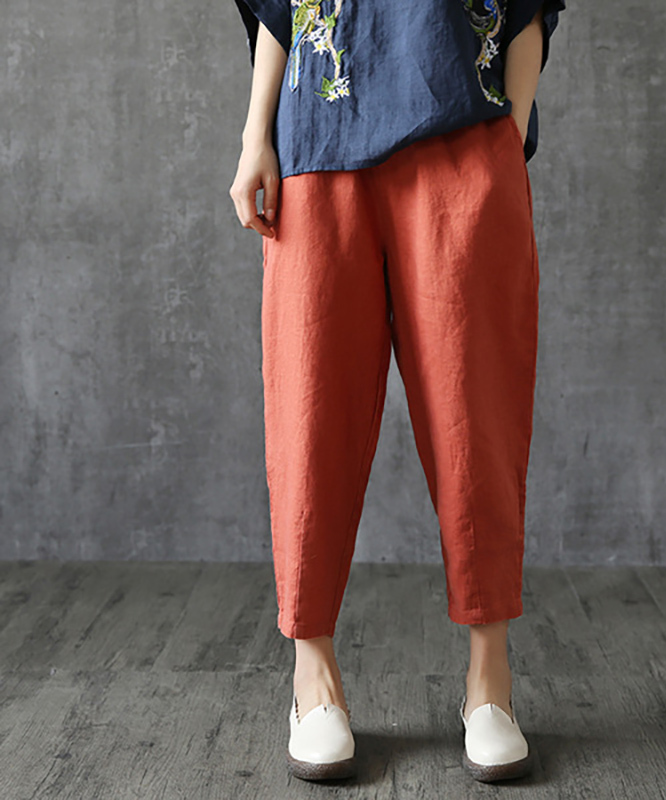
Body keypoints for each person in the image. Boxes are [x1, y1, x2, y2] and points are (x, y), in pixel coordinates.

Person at [229, 0, 565, 784]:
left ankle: (490, 682)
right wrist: (254, 136)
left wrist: (507, 138)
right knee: (311, 412)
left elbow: (533, 5)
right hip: (317, 135)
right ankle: (312, 676)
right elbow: (280, 6)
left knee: (475, 412)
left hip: (461, 132)